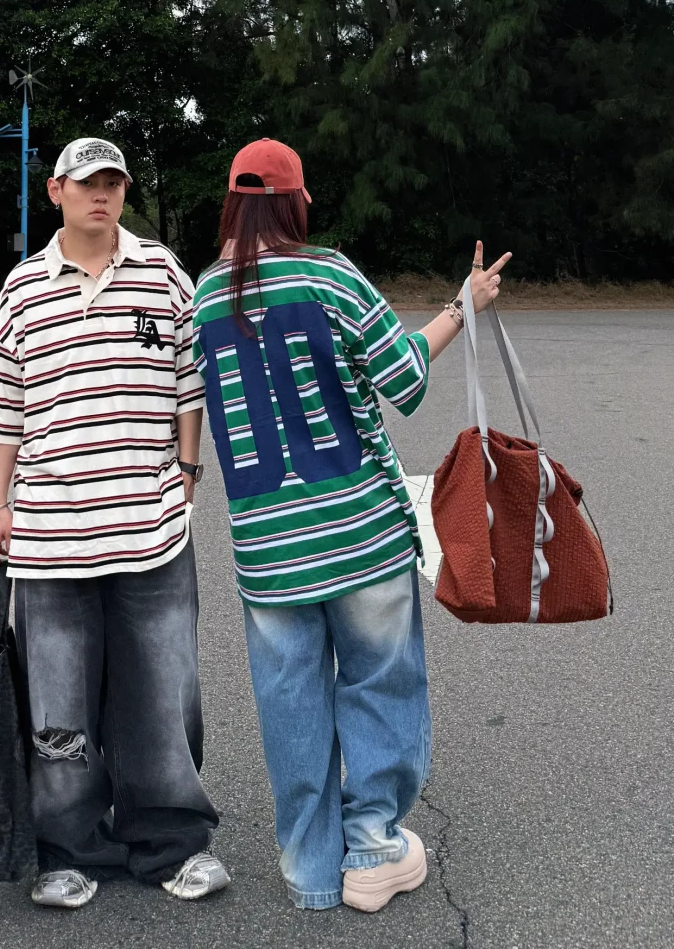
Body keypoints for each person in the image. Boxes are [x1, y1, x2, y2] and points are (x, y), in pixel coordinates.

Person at [192, 138, 510, 913]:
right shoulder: (328, 274)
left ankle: (309, 866)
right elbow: (404, 376)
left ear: (232, 205)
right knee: (378, 682)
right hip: (358, 530)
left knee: (290, 703)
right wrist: (461, 306)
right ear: (295, 203)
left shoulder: (202, 297)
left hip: (268, 549)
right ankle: (372, 848)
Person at [0, 137, 230, 910]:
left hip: (151, 528)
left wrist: (187, 473)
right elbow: (4, 408)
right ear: (56, 191)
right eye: (86, 183)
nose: (101, 194)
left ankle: (172, 843)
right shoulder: (22, 290)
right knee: (59, 709)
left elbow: (189, 383)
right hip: (50, 534)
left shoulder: (163, 272)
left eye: (113, 181)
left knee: (163, 697)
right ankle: (68, 848)